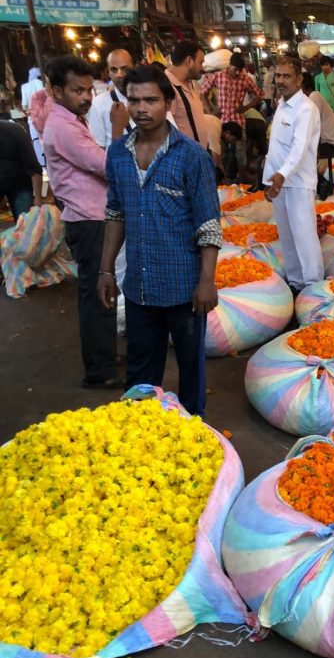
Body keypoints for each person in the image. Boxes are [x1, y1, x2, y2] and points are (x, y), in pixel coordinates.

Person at [97, 66, 221, 416]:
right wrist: (106, 270)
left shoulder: (191, 155)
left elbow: (209, 224)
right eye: (133, 100)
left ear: (167, 102)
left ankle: (194, 434)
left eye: (151, 100)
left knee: (191, 372)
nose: (141, 108)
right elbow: (115, 213)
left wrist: (207, 281)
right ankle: (138, 435)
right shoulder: (118, 153)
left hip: (184, 288)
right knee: (140, 373)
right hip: (140, 286)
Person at [42, 55, 119, 389]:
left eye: (89, 89)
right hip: (88, 222)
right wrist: (117, 131)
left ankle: (105, 357)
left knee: (101, 292)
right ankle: (99, 372)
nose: (86, 97)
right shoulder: (61, 126)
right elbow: (105, 165)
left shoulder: (72, 120)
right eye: (77, 90)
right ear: (56, 91)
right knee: (96, 294)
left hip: (94, 216)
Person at [263, 56, 323, 292]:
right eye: (278, 75)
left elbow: (299, 148)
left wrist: (281, 174)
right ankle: (297, 284)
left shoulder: (306, 109)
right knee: (287, 237)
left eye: (286, 76)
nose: (281, 80)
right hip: (277, 182)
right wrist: (270, 178)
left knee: (304, 235)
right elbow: (277, 147)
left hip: (298, 182)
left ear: (299, 79)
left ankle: (314, 286)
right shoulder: (281, 104)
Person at [200, 52, 262, 144]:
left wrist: (246, 108)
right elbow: (202, 92)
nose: (237, 72)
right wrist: (210, 111)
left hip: (238, 121)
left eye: (240, 70)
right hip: (221, 120)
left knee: (240, 152)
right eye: (235, 69)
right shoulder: (218, 76)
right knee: (221, 150)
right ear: (229, 65)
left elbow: (260, 95)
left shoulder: (245, 79)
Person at [87, 47, 134, 148]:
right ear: (108, 72)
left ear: (134, 68)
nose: (119, 75)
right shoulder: (98, 104)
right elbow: (99, 148)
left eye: (124, 69)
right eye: (114, 70)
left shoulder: (148, 97)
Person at [165, 40, 208, 148]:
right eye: (200, 62)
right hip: (187, 160)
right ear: (189, 61)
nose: (202, 68)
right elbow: (165, 131)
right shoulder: (167, 87)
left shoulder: (191, 83)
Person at [0, 119, 43, 220]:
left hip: (20, 185)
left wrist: (38, 198)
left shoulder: (15, 131)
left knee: (25, 224)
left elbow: (34, 168)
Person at [21, 66, 45, 166]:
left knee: (36, 141)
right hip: (46, 117)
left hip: (33, 119)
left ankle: (43, 165)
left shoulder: (25, 87)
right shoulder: (43, 83)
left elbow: (25, 104)